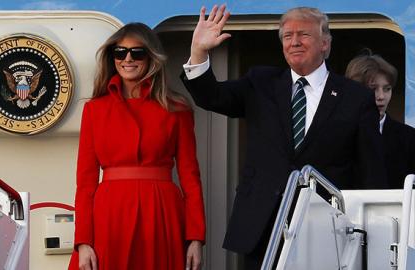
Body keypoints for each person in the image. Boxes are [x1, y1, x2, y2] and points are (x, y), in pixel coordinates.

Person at [180, 5, 387, 269]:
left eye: (304, 35)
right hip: (263, 227)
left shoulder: (356, 98)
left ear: (325, 43)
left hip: (327, 230)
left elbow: (372, 172)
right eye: (287, 36)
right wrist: (198, 52)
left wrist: (370, 234)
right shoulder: (261, 83)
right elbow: (212, 96)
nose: (294, 42)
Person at [69, 22, 206, 270]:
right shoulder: (94, 110)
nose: (127, 59)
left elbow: (190, 178)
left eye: (137, 52)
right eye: (120, 52)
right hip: (109, 215)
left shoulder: (177, 109)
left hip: (161, 212)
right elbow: (86, 183)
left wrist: (195, 237)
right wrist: (83, 241)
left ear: (151, 57)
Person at [346, 52, 415, 188]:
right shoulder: (338, 133)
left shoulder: (409, 137)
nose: (381, 96)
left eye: (387, 89)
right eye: (373, 89)